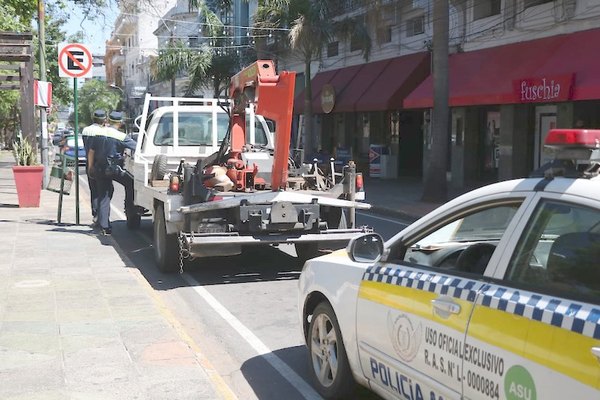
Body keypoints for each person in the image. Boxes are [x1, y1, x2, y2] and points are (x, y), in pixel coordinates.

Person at [88, 111, 137, 235]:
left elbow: (91, 152)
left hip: (98, 168)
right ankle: (130, 210)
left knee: (103, 195)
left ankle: (104, 227)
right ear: (120, 123)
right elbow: (138, 147)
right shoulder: (121, 136)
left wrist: (90, 167)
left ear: (108, 121)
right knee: (131, 183)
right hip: (114, 169)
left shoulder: (98, 133)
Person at [81, 109, 106, 225]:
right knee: (104, 190)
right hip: (102, 164)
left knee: (94, 190)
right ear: (104, 120)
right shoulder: (104, 131)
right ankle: (103, 215)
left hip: (89, 163)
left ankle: (95, 214)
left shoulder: (86, 130)